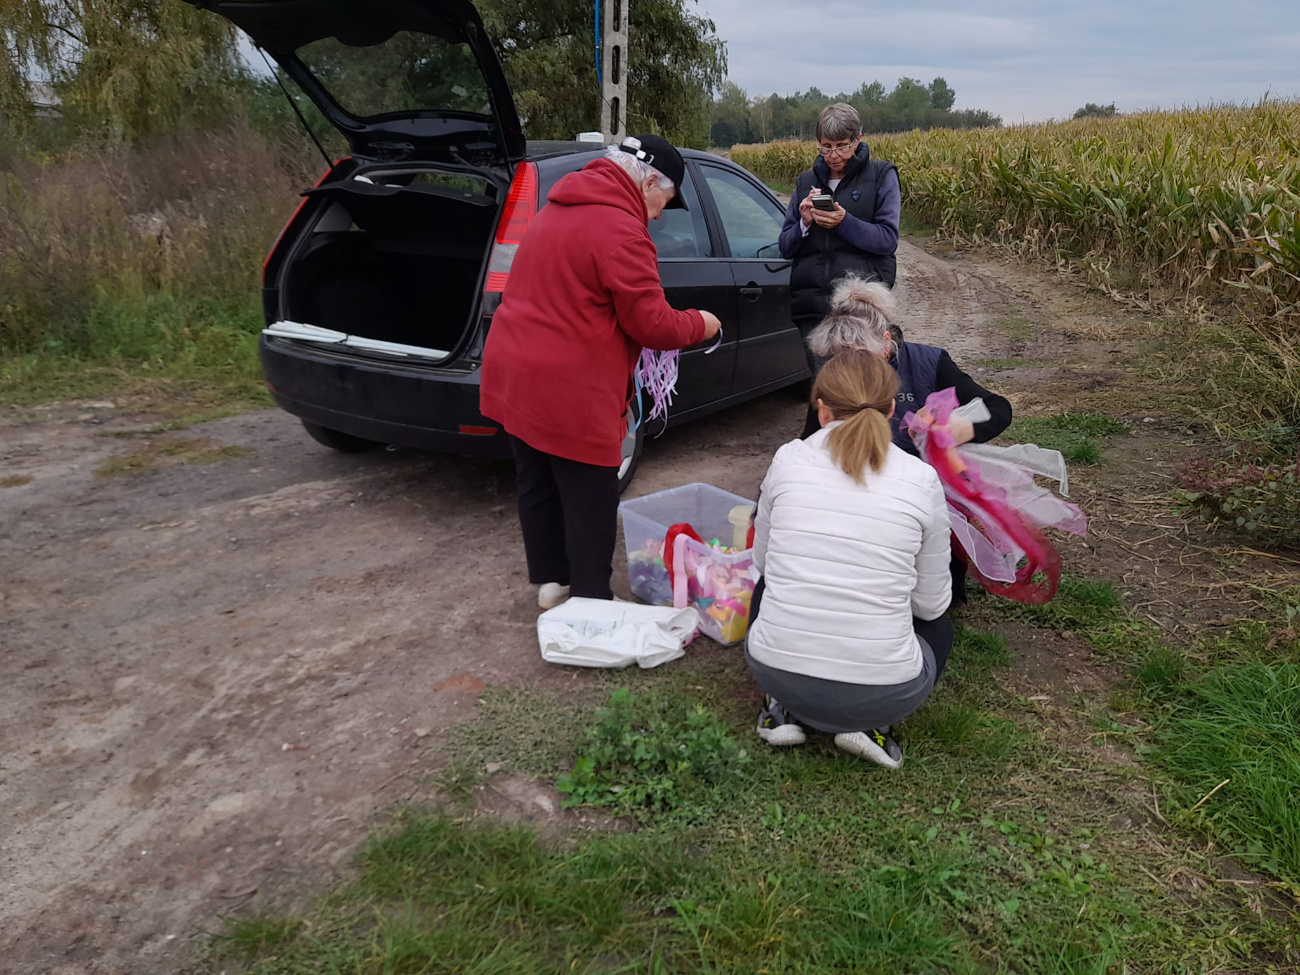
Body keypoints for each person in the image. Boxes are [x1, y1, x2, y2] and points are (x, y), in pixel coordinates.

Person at [480, 135, 723, 609]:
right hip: (568, 388)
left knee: (538, 480)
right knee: (590, 494)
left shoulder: (558, 206)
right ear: (650, 181)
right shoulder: (623, 230)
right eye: (663, 203)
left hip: (514, 372)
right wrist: (702, 323)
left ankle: (552, 582)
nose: (657, 216)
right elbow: (651, 323)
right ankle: (591, 598)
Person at [746, 351, 953, 769]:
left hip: (774, 670)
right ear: (893, 408)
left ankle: (780, 707)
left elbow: (765, 563)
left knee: (767, 585)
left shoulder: (787, 459)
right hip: (885, 691)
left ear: (819, 406)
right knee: (938, 621)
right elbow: (930, 605)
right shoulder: (921, 479)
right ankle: (871, 725)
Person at [801, 276, 1013, 454]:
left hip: (920, 478)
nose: (850, 366)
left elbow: (998, 408)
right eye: (838, 356)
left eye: (861, 355)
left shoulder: (929, 362)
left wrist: (964, 430)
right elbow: (810, 439)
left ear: (885, 342)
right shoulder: (831, 375)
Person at [778, 103, 901, 377]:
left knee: (864, 385)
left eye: (842, 146)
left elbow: (887, 239)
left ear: (858, 140)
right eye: (826, 146)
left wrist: (844, 222)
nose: (833, 155)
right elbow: (785, 246)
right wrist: (804, 223)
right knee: (826, 388)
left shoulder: (882, 176)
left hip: (861, 309)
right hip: (812, 306)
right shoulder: (806, 182)